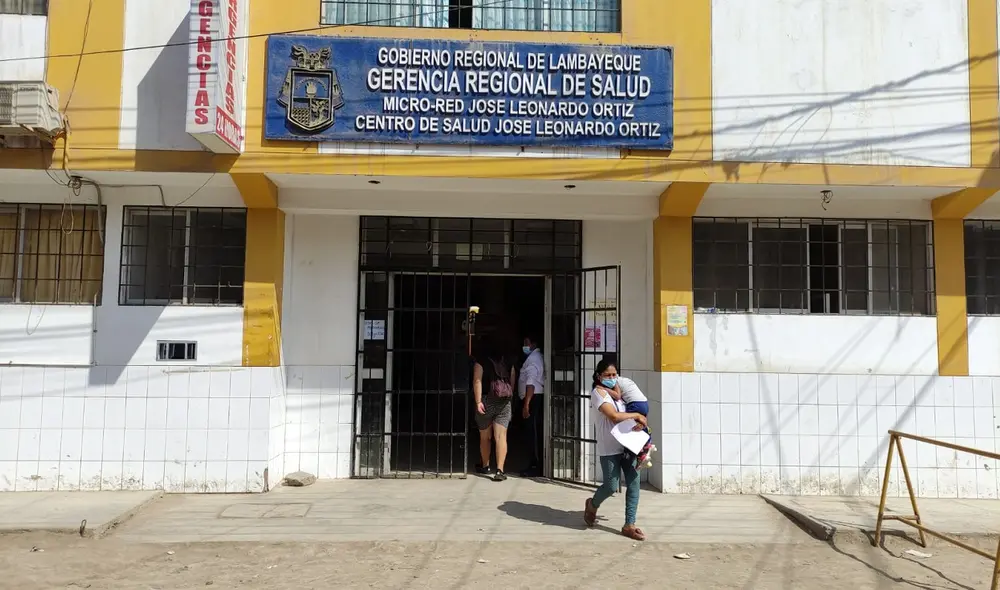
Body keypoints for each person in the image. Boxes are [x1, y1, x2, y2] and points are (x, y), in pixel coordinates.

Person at [583, 359, 647, 541]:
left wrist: (640, 422)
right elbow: (613, 416)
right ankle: (592, 504)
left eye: (614, 374)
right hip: (609, 447)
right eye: (607, 375)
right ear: (599, 376)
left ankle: (629, 524)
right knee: (611, 486)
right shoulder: (598, 393)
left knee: (634, 482)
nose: (612, 378)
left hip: (628, 445)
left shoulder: (618, 393)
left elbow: (630, 409)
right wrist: (637, 414)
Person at [472, 340, 515, 482]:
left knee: (485, 437)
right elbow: (512, 379)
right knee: (501, 437)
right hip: (504, 401)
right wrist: (509, 397)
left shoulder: (481, 361)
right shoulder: (508, 361)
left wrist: (478, 402)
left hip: (486, 400)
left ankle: (485, 466)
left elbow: (477, 380)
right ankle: (500, 470)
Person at [606, 376, 655, 466]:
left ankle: (645, 445)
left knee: (630, 427)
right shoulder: (624, 380)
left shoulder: (615, 381)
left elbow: (617, 396)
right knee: (637, 426)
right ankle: (645, 449)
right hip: (643, 403)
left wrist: (605, 389)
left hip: (635, 404)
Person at [517, 334, 544, 477]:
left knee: (533, 433)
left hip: (533, 399)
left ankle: (535, 465)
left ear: (533, 343)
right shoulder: (534, 358)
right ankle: (533, 464)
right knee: (531, 432)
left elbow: (531, 384)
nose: (524, 346)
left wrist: (526, 404)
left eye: (526, 342)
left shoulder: (533, 359)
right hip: (532, 398)